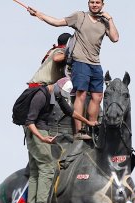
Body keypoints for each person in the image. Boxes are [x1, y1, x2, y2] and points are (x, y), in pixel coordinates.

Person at [27, 0, 119, 140]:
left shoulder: (104, 22)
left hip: (95, 63)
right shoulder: (79, 17)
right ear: (88, 3)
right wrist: (38, 14)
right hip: (80, 62)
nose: (94, 5)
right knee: (80, 94)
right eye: (92, 2)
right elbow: (57, 22)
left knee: (97, 96)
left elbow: (115, 38)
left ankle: (92, 128)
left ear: (102, 5)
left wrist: (110, 19)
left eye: (97, 2)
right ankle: (79, 131)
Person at [22, 77, 95, 203]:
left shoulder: (57, 94)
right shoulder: (41, 96)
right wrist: (41, 138)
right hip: (36, 131)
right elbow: (29, 121)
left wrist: (87, 122)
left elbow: (70, 112)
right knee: (48, 166)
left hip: (39, 131)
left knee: (36, 169)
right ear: (57, 87)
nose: (61, 97)